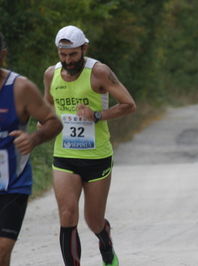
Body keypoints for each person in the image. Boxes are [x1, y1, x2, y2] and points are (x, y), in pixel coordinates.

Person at [43, 25, 136, 266]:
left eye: (73, 54)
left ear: (84, 48)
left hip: (96, 156)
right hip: (64, 154)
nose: (67, 60)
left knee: (93, 220)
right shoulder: (50, 74)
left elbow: (128, 104)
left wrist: (96, 115)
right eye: (62, 55)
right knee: (67, 214)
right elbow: (47, 106)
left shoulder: (99, 72)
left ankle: (105, 242)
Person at [0, 32, 62, 266]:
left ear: (2, 56)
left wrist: (34, 139)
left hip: (13, 183)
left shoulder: (21, 88)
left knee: (2, 250)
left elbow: (54, 122)